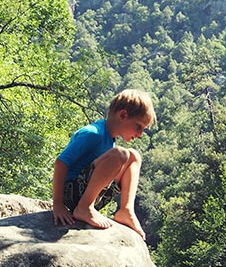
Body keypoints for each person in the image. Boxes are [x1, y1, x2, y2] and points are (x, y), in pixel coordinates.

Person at [52, 89, 155, 240]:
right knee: (121, 154)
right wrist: (58, 204)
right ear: (123, 115)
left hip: (90, 196)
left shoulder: (109, 138)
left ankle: (126, 210)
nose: (140, 134)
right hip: (71, 194)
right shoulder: (93, 133)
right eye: (139, 126)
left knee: (134, 156)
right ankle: (84, 208)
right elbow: (61, 163)